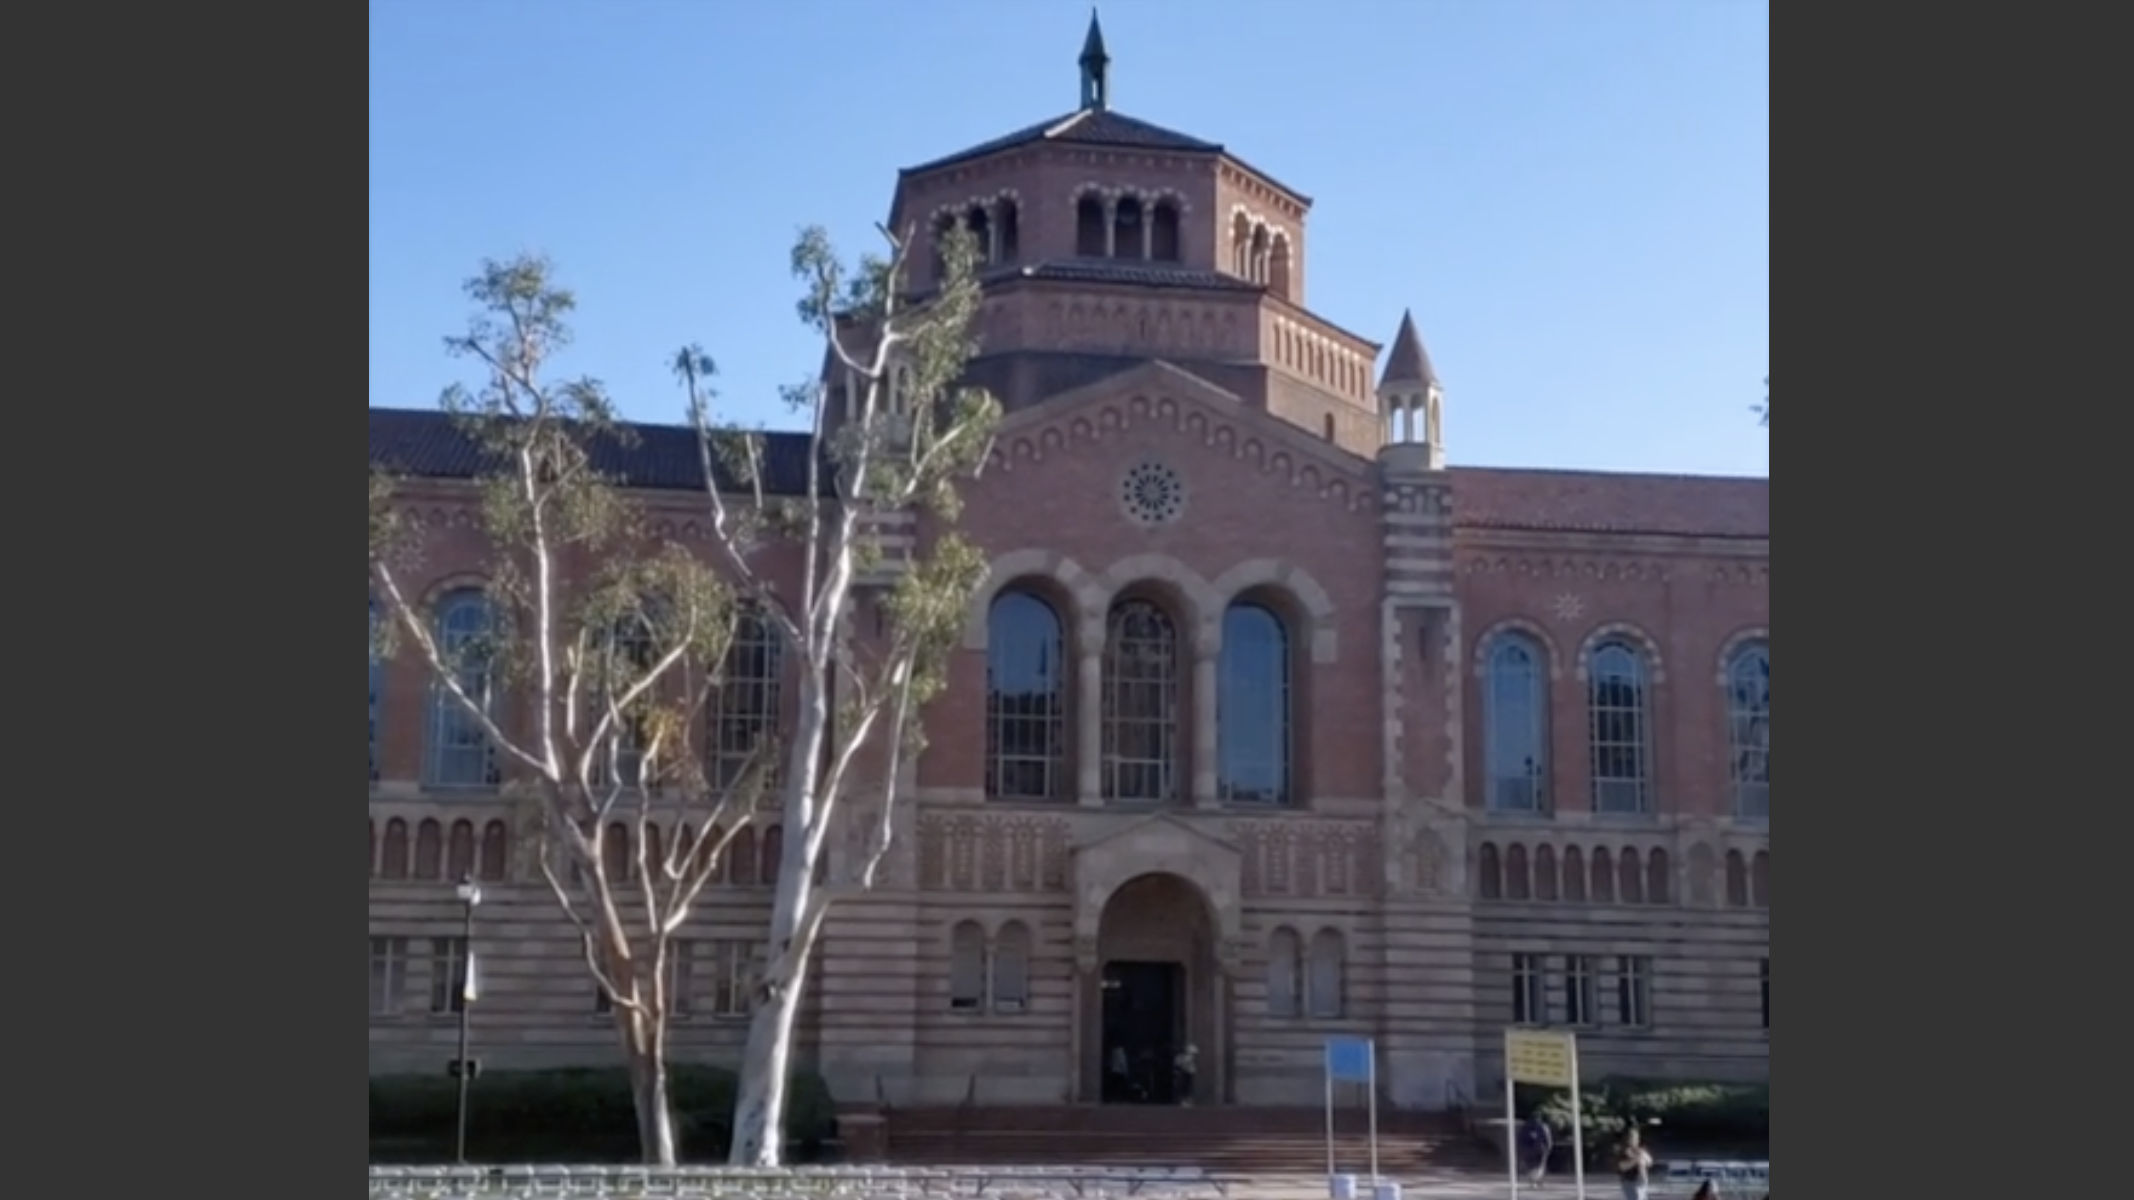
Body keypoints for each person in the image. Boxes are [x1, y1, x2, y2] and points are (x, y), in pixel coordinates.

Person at [1614, 1127, 1653, 1200]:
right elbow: (1621, 1166)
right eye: (1632, 1138)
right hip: (1630, 1182)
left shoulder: (1640, 1150)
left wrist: (1644, 1159)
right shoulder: (1622, 1151)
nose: (1635, 1140)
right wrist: (1636, 1160)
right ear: (1627, 1139)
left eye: (1636, 1138)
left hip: (1642, 1183)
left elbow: (1650, 1161)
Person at [1517, 1112, 1554, 1187]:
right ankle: (1537, 1181)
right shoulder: (1543, 1126)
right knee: (1539, 1166)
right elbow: (1547, 1139)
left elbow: (1520, 1139)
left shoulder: (1526, 1126)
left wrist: (1522, 1149)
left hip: (1531, 1149)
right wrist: (1548, 1148)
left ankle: (1534, 1181)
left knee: (1532, 1166)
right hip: (1539, 1149)